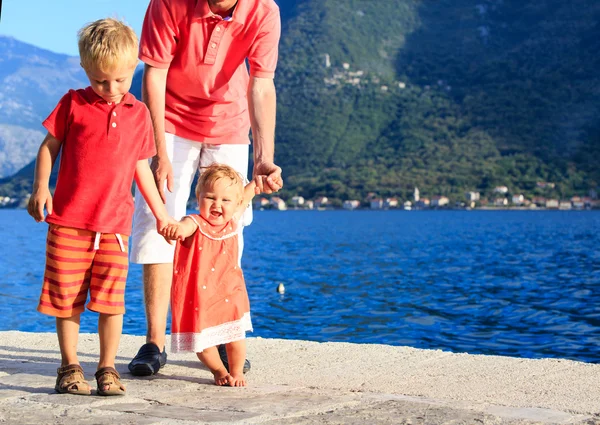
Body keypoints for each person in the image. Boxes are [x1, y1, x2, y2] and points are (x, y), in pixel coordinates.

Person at [128, 0, 283, 376]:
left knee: (230, 225)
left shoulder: (264, 11)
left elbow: (261, 84)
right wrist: (158, 150)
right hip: (170, 120)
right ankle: (154, 343)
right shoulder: (169, 3)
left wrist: (264, 158)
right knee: (155, 218)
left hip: (229, 122)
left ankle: (225, 336)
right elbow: (154, 73)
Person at [27, 18, 173, 396]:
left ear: (133, 70)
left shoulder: (139, 114)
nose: (111, 90)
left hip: (114, 228)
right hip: (69, 223)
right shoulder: (72, 103)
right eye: (100, 81)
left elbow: (142, 169)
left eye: (121, 80)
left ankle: (107, 367)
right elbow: (48, 147)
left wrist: (161, 215)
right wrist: (42, 187)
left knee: (111, 304)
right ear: (85, 70)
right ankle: (69, 365)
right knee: (68, 301)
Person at [161, 164, 256, 386]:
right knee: (202, 343)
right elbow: (183, 227)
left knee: (236, 336)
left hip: (230, 292)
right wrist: (175, 229)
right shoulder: (195, 222)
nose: (217, 204)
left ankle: (237, 371)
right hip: (201, 296)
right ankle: (218, 370)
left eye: (225, 200)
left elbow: (246, 196)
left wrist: (258, 184)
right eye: (210, 197)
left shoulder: (233, 222)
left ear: (235, 204)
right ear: (199, 198)